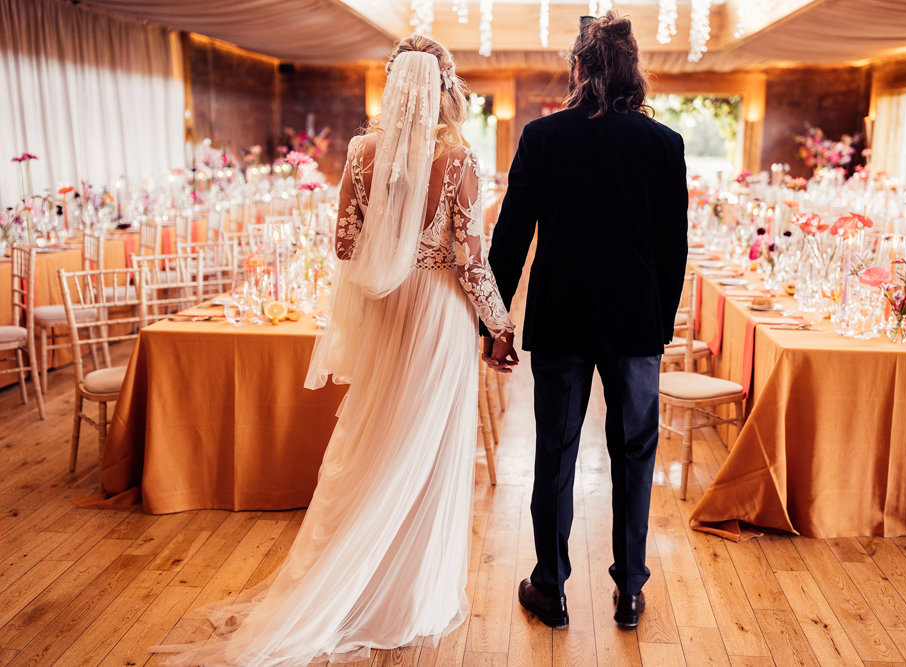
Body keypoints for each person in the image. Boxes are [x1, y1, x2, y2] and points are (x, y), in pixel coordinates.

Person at [152, 35, 517, 664]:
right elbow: (471, 263)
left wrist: (392, 244)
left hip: (386, 311)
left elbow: (345, 246)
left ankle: (356, 583)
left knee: (376, 440)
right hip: (438, 315)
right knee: (424, 450)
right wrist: (501, 326)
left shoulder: (361, 153)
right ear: (444, 87)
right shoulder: (458, 162)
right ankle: (408, 595)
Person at [482, 12, 688, 629]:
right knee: (634, 454)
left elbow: (511, 236)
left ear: (579, 67)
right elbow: (672, 248)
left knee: (556, 452)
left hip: (562, 319)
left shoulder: (543, 138)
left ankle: (550, 586)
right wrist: (661, 324)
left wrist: (494, 323)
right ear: (634, 72)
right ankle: (630, 590)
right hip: (634, 325)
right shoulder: (665, 144)